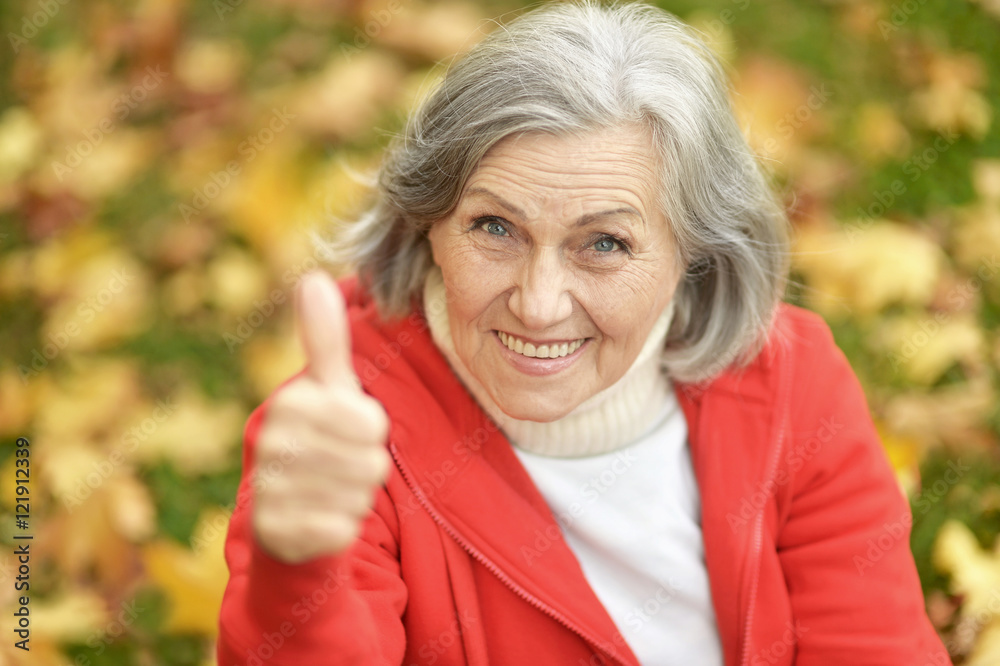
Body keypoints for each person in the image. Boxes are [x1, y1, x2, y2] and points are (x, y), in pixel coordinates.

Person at [217, 2, 950, 664]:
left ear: (694, 253)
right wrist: (295, 571)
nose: (538, 306)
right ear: (429, 223)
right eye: (494, 227)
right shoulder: (337, 437)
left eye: (603, 244)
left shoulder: (793, 382)